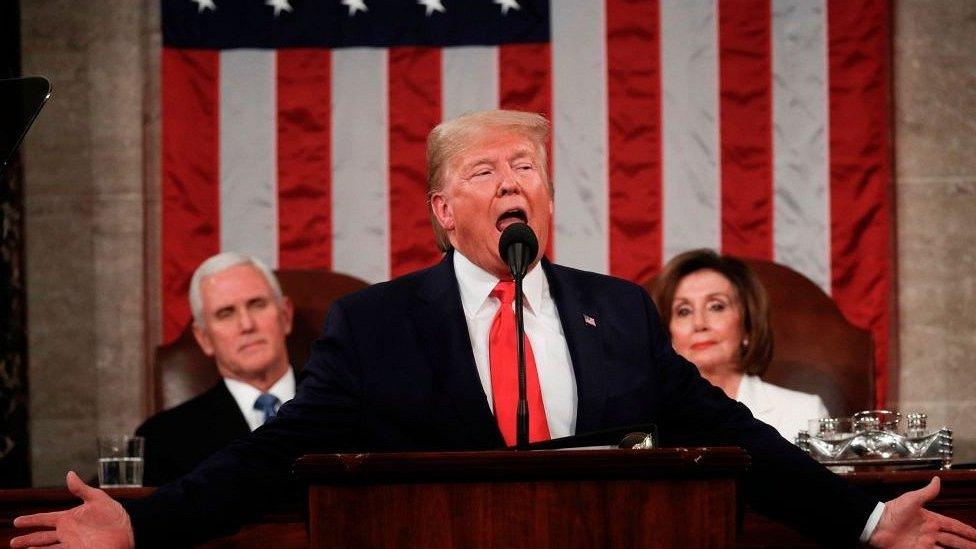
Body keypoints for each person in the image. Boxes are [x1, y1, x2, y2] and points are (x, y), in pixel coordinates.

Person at [12, 110, 976, 548]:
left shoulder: (619, 311)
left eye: (528, 167)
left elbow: (736, 437)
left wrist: (862, 517)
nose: (513, 179)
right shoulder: (375, 325)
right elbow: (274, 457)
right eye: (485, 170)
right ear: (441, 208)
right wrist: (140, 522)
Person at [135, 252, 296, 485]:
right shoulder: (163, 439)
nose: (247, 325)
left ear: (285, 315)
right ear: (204, 339)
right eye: (226, 313)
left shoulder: (346, 409)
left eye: (257, 305)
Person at [651, 249, 828, 441]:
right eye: (683, 311)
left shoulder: (804, 413)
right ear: (668, 334)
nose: (699, 324)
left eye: (716, 306)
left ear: (747, 326)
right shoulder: (644, 418)